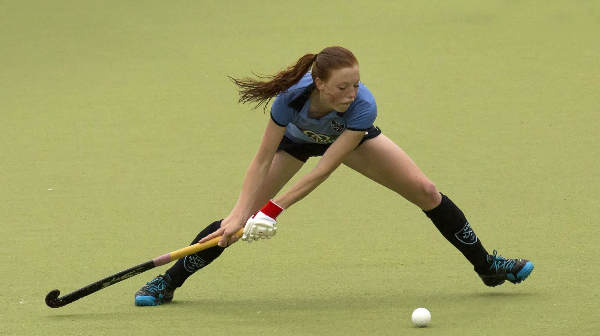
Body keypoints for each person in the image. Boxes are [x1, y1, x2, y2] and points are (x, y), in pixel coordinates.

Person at [134, 46, 534, 306]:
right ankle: (167, 282)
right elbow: (260, 162)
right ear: (319, 84)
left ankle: (487, 265)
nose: (352, 93)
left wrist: (273, 210)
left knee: (426, 191)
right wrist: (243, 214)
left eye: (356, 84)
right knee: (231, 223)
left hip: (345, 141)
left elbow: (326, 167)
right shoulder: (290, 100)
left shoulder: (362, 109)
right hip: (295, 144)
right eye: (342, 87)